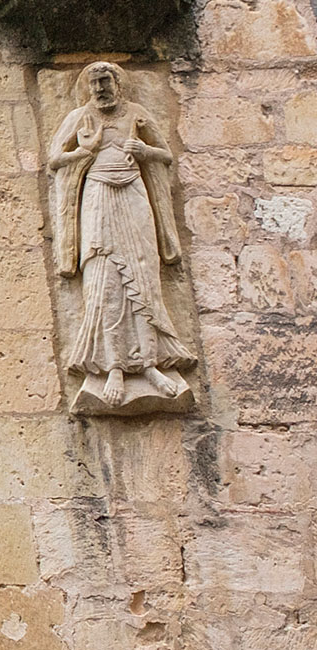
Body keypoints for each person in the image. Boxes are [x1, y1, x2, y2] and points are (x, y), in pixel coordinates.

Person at [47, 61, 193, 410]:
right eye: (94, 83)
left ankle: (150, 365)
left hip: (133, 195)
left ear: (118, 84)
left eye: (105, 81)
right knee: (105, 283)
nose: (100, 89)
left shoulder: (136, 114)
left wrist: (145, 151)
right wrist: (85, 151)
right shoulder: (81, 117)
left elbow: (165, 154)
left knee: (143, 278)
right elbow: (55, 157)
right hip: (98, 197)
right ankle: (113, 367)